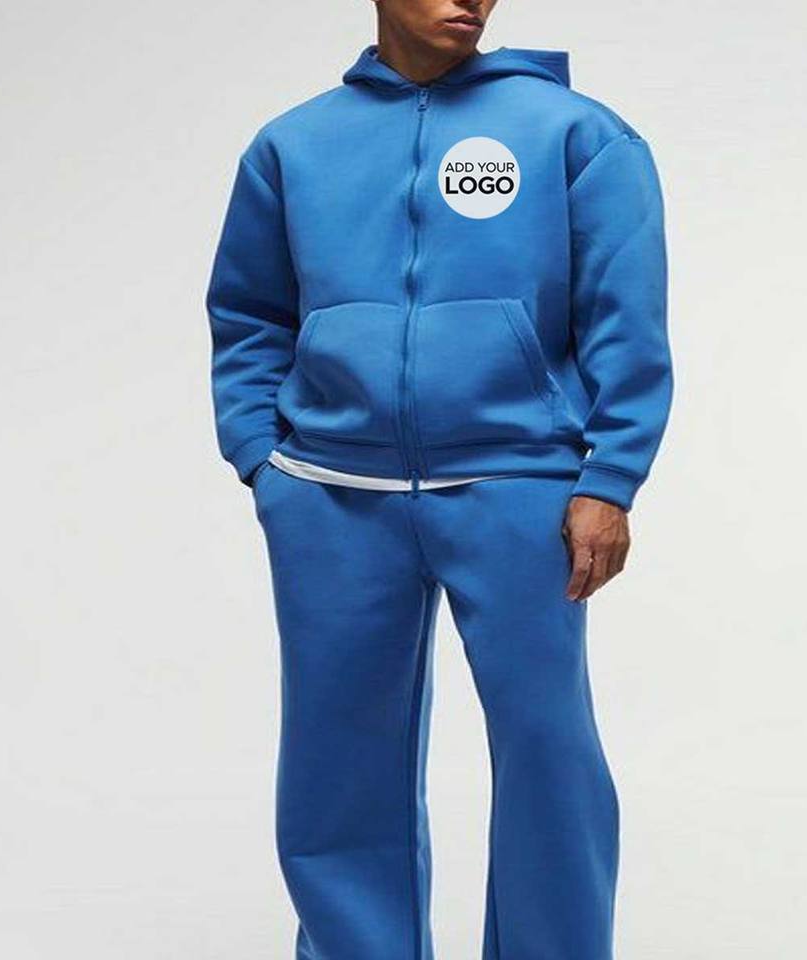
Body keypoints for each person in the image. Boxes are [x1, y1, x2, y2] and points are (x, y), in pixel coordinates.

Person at [206, 1, 672, 956]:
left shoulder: (577, 135)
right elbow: (249, 314)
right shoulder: (293, 146)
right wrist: (263, 460)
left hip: (522, 488)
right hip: (331, 492)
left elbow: (627, 321)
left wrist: (610, 477)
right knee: (338, 765)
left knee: (548, 754)